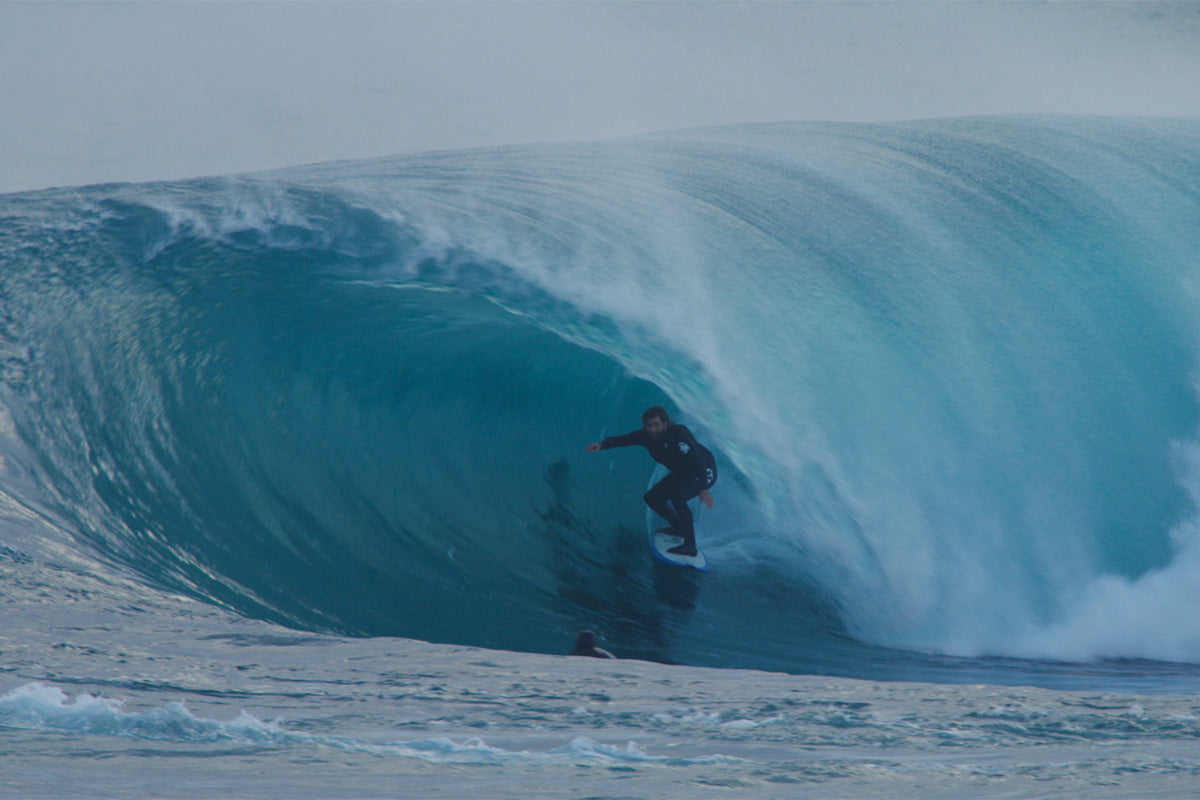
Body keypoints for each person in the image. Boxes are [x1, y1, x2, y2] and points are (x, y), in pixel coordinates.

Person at [586, 406, 716, 557]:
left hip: (704, 470)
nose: (653, 429)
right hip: (684, 472)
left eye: (656, 424)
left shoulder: (679, 434)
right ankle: (679, 528)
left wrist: (704, 488)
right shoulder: (645, 436)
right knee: (652, 498)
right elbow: (626, 439)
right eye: (649, 425)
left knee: (678, 497)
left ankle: (690, 546)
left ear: (665, 423)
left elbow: (696, 459)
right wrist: (602, 445)